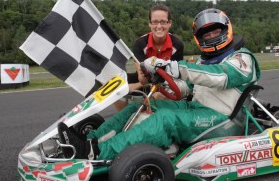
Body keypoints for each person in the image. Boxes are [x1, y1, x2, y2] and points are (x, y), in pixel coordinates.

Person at [57, 8, 261, 161]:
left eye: (215, 32)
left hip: (223, 120)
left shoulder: (242, 59)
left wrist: (177, 68)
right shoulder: (203, 61)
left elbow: (220, 77)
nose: (211, 37)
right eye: (205, 35)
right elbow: (187, 88)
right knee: (143, 104)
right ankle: (87, 141)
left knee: (165, 119)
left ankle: (97, 152)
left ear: (226, 30)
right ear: (199, 38)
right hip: (197, 109)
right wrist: (163, 85)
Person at [114, 3, 184, 109]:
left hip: (166, 82)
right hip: (147, 80)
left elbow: (175, 77)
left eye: (163, 22)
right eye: (155, 22)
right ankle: (123, 120)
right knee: (117, 89)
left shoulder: (177, 45)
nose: (159, 26)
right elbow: (143, 79)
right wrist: (139, 83)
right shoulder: (140, 44)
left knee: (158, 96)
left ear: (169, 23)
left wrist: (136, 86)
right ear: (150, 24)